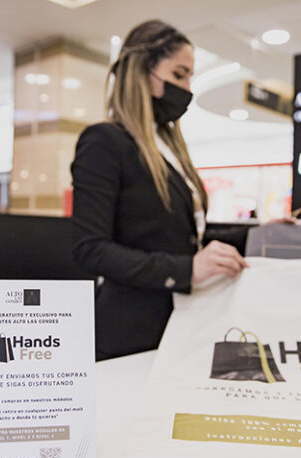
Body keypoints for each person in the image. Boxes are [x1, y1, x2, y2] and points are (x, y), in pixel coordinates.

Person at [70, 19, 251, 360]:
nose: (187, 88)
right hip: (129, 332)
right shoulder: (105, 142)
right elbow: (90, 249)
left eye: (190, 76)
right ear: (142, 72)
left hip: (181, 323)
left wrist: (257, 235)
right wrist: (186, 270)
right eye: (179, 75)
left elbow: (182, 236)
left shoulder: (168, 147)